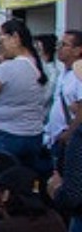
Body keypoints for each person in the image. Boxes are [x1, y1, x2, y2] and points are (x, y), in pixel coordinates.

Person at [0, 18, 51, 178]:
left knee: (6, 180)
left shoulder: (8, 68)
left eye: (2, 39)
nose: (0, 45)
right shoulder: (41, 67)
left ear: (15, 38)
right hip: (34, 134)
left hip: (6, 134)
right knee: (25, 179)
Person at [43, 29, 82, 164]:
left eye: (64, 45)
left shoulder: (78, 76)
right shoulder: (63, 74)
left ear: (77, 50)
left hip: (70, 140)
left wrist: (69, 134)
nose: (58, 48)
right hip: (55, 139)